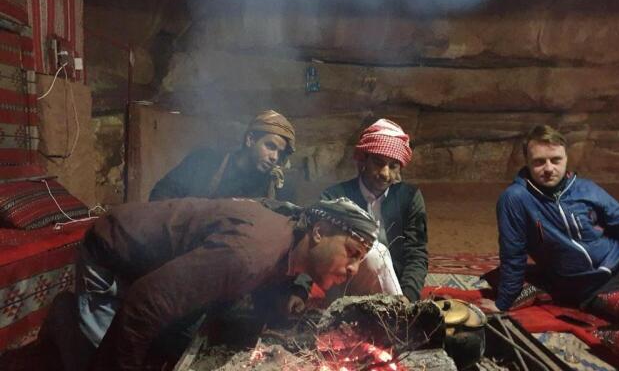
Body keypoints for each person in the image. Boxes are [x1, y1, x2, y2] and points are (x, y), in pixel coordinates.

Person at [44, 197, 377, 371]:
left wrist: (291, 291)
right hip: (114, 253)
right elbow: (145, 302)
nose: (353, 269)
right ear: (318, 232)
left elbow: (269, 276)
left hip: (158, 268)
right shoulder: (248, 255)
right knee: (107, 358)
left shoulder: (289, 241)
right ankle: (65, 321)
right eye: (352, 253)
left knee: (164, 340)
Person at [494, 124, 619, 325]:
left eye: (556, 160)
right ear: (527, 162)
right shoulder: (516, 199)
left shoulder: (585, 188)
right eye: (539, 162)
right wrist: (503, 303)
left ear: (566, 159)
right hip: (594, 287)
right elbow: (513, 254)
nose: (549, 168)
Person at [321, 118, 428, 303]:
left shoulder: (410, 198)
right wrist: (299, 291)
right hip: (346, 288)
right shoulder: (335, 197)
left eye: (393, 166)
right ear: (363, 161)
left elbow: (416, 253)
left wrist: (409, 295)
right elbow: (314, 247)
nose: (385, 173)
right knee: (372, 252)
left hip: (396, 288)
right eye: (378, 163)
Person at [149, 109, 296, 201]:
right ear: (250, 139)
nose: (275, 157)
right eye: (270, 146)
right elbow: (161, 196)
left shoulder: (277, 188)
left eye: (280, 153)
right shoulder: (204, 162)